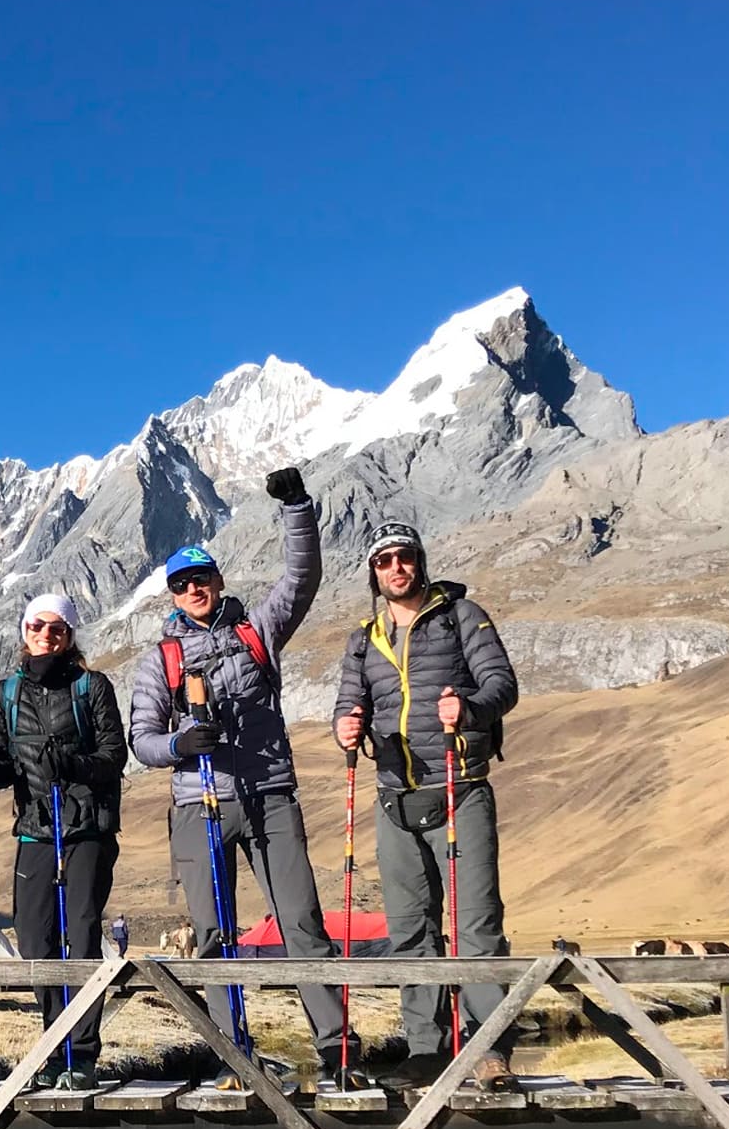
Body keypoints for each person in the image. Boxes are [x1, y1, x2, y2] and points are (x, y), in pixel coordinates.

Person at [128, 468, 364, 1092]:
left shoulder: (257, 631)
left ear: (218, 581)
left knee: (301, 922)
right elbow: (141, 739)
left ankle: (338, 1050)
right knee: (212, 936)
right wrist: (180, 744)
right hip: (197, 803)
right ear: (172, 596)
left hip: (269, 795)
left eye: (202, 577)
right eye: (182, 583)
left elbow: (301, 580)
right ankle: (232, 1055)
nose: (194, 588)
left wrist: (297, 509)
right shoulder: (162, 659)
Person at [334, 521, 520, 1091]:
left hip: (458, 787)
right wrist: (344, 727)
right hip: (394, 798)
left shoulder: (464, 617)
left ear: (420, 561)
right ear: (374, 572)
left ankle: (487, 1050)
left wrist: (466, 709)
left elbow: (502, 685)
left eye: (405, 557)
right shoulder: (363, 639)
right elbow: (348, 702)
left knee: (477, 924)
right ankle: (426, 1048)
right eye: (385, 560)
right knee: (410, 929)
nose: (396, 568)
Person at [0, 593, 126, 1091]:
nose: (46, 635)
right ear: (24, 631)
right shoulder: (5, 694)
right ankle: (56, 1047)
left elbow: (114, 755)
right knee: (35, 942)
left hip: (87, 830)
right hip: (35, 828)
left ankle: (82, 1055)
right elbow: (6, 764)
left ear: (70, 635)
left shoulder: (91, 687)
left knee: (81, 933)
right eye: (37, 626)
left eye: (57, 628)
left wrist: (72, 766)